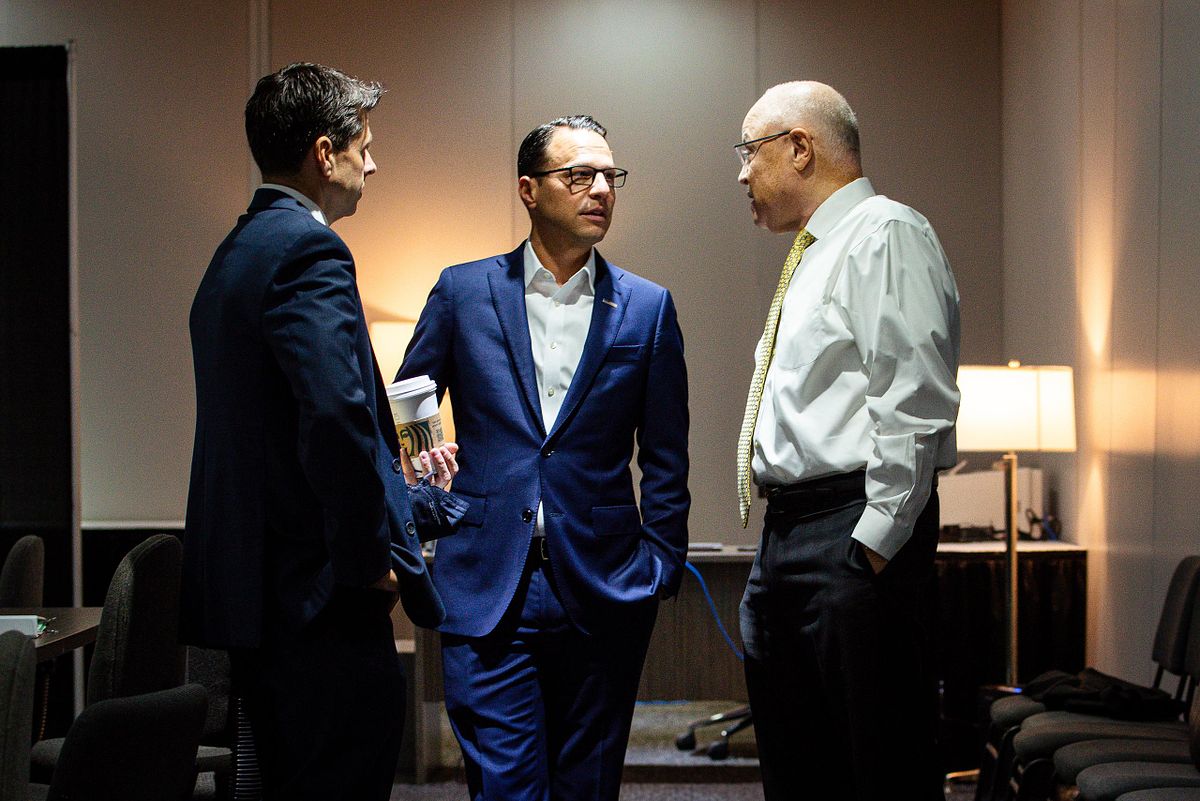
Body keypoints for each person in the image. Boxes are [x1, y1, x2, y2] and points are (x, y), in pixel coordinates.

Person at [182, 62, 464, 801]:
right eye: (363, 144)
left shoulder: (234, 253)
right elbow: (335, 420)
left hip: (256, 588)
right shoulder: (310, 251)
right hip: (318, 596)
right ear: (323, 151)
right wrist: (369, 561)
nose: (373, 161)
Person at [398, 115, 690, 801]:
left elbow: (668, 455)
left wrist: (660, 567)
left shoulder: (647, 309)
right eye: (578, 175)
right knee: (506, 788)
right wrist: (424, 501)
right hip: (485, 581)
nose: (599, 190)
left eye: (609, 177)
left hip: (607, 584)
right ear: (529, 190)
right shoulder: (462, 291)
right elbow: (409, 402)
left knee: (587, 786)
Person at [734, 81, 961, 800]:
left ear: (799, 147)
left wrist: (874, 541)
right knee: (801, 766)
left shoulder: (885, 231)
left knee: (879, 764)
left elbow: (914, 397)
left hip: (848, 532)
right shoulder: (814, 253)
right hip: (793, 534)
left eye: (749, 151)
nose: (741, 173)